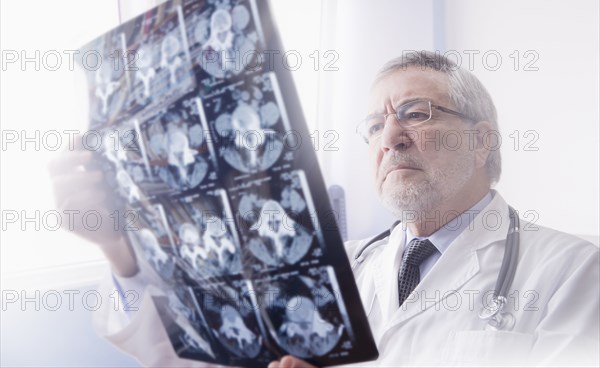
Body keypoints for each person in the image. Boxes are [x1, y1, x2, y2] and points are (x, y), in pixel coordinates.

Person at [50, 51, 599, 367]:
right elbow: (208, 351)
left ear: (482, 141)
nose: (391, 137)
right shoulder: (340, 267)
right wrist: (118, 248)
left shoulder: (572, 271)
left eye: (417, 113)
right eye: (374, 126)